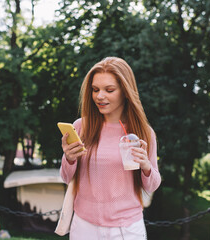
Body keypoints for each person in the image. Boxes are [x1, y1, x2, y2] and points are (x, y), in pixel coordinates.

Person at [60, 57, 161, 239]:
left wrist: (145, 165)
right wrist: (69, 158)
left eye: (109, 90)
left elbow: (152, 186)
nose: (100, 96)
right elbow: (66, 178)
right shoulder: (81, 127)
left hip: (126, 229)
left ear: (125, 91)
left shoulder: (143, 133)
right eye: (95, 90)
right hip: (84, 227)